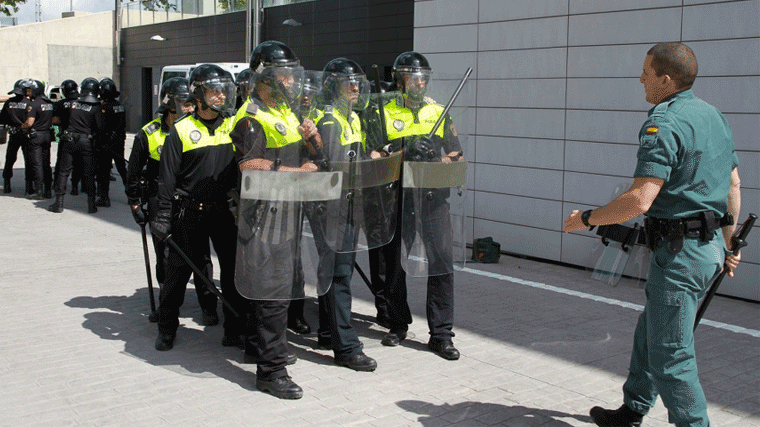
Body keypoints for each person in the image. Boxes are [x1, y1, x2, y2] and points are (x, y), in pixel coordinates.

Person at [562, 42, 742, 427]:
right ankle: (634, 408)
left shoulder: (665, 122)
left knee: (671, 353)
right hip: (705, 248)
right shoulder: (715, 117)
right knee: (651, 332)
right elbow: (734, 187)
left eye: (646, 71)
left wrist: (588, 219)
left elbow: (641, 199)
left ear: (665, 78)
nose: (640, 77)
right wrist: (728, 243)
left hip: (682, 256)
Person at [230, 40, 317, 400]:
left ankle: (259, 348)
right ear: (265, 77)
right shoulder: (251, 116)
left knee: (271, 286)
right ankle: (271, 371)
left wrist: (312, 139)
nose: (293, 81)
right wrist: (299, 169)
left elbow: (315, 157)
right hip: (264, 213)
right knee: (273, 291)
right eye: (286, 74)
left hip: (287, 209)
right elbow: (250, 166)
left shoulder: (285, 112)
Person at [149, 64, 245, 351]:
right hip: (188, 213)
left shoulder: (232, 125)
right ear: (198, 95)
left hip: (224, 212)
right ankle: (167, 328)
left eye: (223, 90)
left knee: (231, 272)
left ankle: (234, 329)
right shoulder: (181, 130)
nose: (220, 96)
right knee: (177, 273)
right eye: (214, 91)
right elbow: (166, 180)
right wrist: (163, 216)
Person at [378, 51, 464, 361]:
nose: (419, 82)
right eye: (412, 77)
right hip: (398, 198)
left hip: (433, 199)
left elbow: (457, 156)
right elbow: (375, 156)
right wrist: (404, 148)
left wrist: (436, 158)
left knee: (441, 263)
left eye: (423, 77)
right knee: (394, 263)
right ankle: (397, 323)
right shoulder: (384, 112)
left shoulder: (440, 112)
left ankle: (441, 334)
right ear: (399, 80)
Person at [125, 77, 218, 325]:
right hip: (160, 199)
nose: (188, 108)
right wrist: (134, 203)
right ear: (168, 105)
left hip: (189, 199)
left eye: (190, 103)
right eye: (183, 104)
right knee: (166, 256)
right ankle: (167, 306)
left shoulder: (196, 127)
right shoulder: (149, 133)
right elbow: (133, 172)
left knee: (201, 256)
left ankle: (208, 305)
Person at [307, 57, 379, 371]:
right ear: (334, 86)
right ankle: (347, 347)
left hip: (349, 204)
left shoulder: (351, 117)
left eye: (358, 83)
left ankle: (327, 330)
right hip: (334, 207)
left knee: (336, 271)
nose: (355, 88)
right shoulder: (329, 119)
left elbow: (354, 158)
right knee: (339, 274)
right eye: (349, 83)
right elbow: (335, 169)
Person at [48, 77, 104, 213]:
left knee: (63, 171)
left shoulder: (72, 103)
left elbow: (61, 118)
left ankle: (58, 203)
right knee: (89, 173)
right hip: (86, 142)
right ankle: (91, 205)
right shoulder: (96, 107)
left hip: (69, 139)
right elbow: (100, 127)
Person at [95, 78, 128, 207]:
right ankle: (132, 195)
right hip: (119, 141)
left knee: (103, 170)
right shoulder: (120, 106)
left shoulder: (103, 108)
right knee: (122, 169)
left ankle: (104, 197)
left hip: (106, 142)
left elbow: (101, 127)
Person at [21, 79, 54, 199]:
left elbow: (30, 123)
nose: (28, 93)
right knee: (46, 164)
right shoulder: (49, 103)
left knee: (37, 164)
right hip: (47, 135)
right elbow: (54, 120)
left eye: (30, 90)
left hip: (36, 137)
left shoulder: (33, 104)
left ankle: (39, 192)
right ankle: (48, 191)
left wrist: (22, 126)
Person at [50, 79, 83, 195]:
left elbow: (55, 120)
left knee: (62, 165)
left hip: (66, 137)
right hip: (82, 138)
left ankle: (58, 188)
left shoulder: (60, 104)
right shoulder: (84, 102)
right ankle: (75, 187)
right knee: (79, 164)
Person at [1, 79, 31, 194]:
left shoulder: (9, 102)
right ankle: (29, 186)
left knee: (10, 159)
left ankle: (7, 184)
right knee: (28, 160)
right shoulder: (29, 103)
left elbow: (2, 118)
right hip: (25, 133)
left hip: (13, 134)